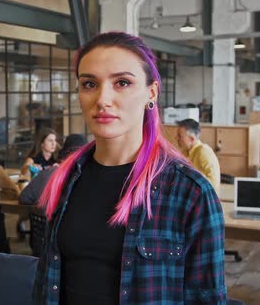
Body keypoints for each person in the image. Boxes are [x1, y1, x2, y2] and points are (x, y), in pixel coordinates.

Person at [33, 32, 226, 304]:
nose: (103, 99)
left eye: (122, 82)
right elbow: (47, 283)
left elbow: (207, 298)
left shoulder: (190, 193)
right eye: (89, 84)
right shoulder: (66, 179)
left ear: (151, 92)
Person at [19, 134, 88, 205]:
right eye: (50, 140)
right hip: (39, 193)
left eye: (55, 140)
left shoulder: (56, 160)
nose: (53, 143)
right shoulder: (34, 159)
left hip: (42, 195)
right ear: (42, 143)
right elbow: (24, 170)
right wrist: (30, 166)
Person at [176, 118, 221, 191]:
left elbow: (213, 184)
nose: (176, 138)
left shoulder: (204, 151)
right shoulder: (185, 151)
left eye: (180, 136)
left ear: (191, 139)